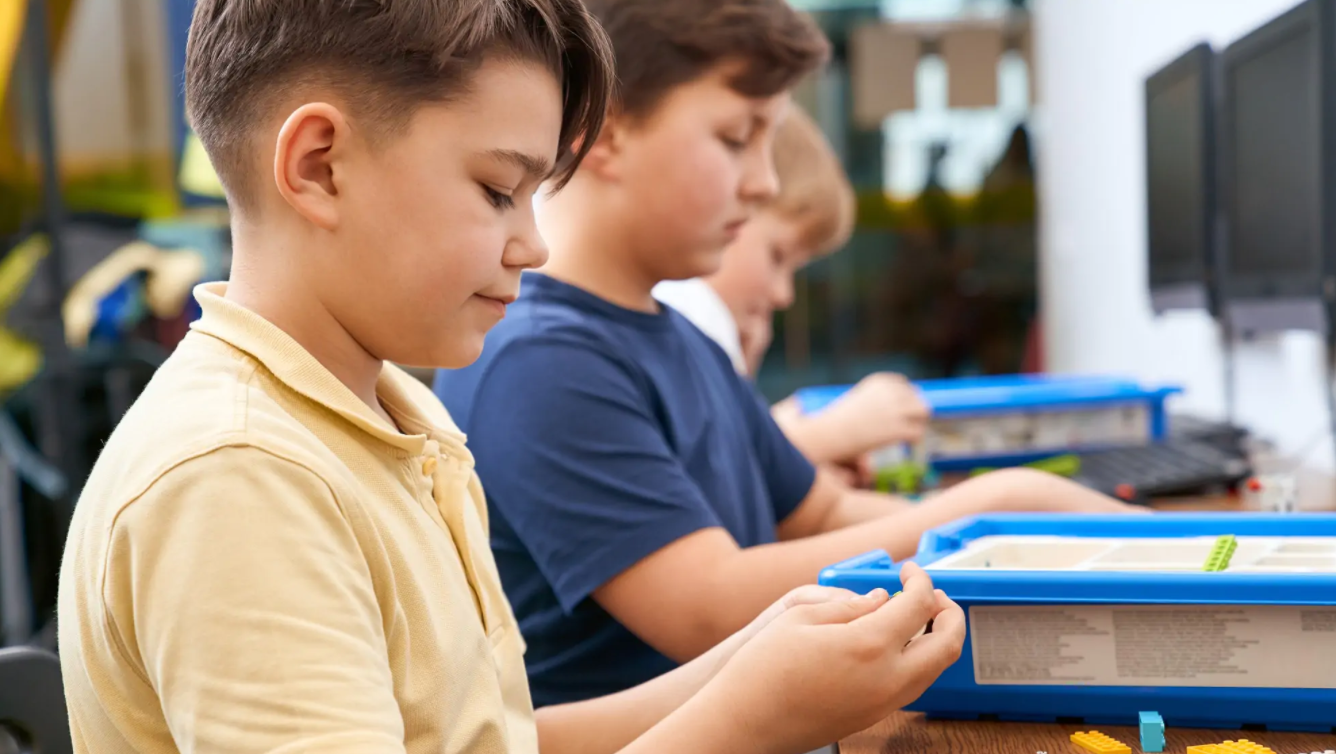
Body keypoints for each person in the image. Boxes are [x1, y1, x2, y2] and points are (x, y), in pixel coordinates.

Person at [55, 1, 968, 753]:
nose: (532, 243)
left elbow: (497, 739)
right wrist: (747, 720)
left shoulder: (391, 422)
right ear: (319, 167)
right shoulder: (242, 473)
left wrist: (747, 662)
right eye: (498, 189)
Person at [432, 0, 1141, 709]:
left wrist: (997, 526)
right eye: (738, 138)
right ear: (608, 135)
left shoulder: (680, 341)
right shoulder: (540, 363)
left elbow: (821, 513)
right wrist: (996, 504)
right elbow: (710, 607)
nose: (766, 181)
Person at [653, 107, 928, 483]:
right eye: (777, 256)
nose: (783, 295)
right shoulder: (690, 310)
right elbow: (714, 478)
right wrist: (833, 432)